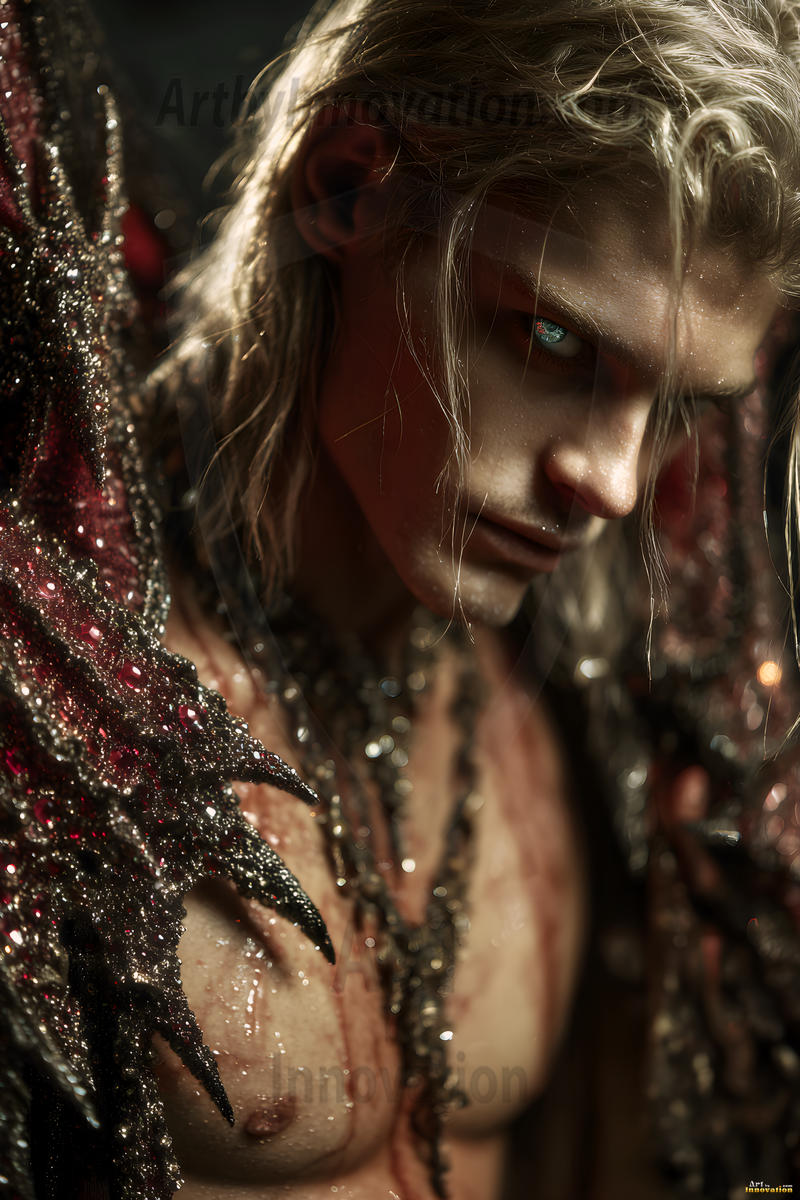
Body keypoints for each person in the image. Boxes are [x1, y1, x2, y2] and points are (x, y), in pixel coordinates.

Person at [3, 1, 800, 1198]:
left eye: (677, 404)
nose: (613, 483)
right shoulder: (50, 692)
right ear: (345, 188)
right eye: (551, 339)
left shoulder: (592, 729)